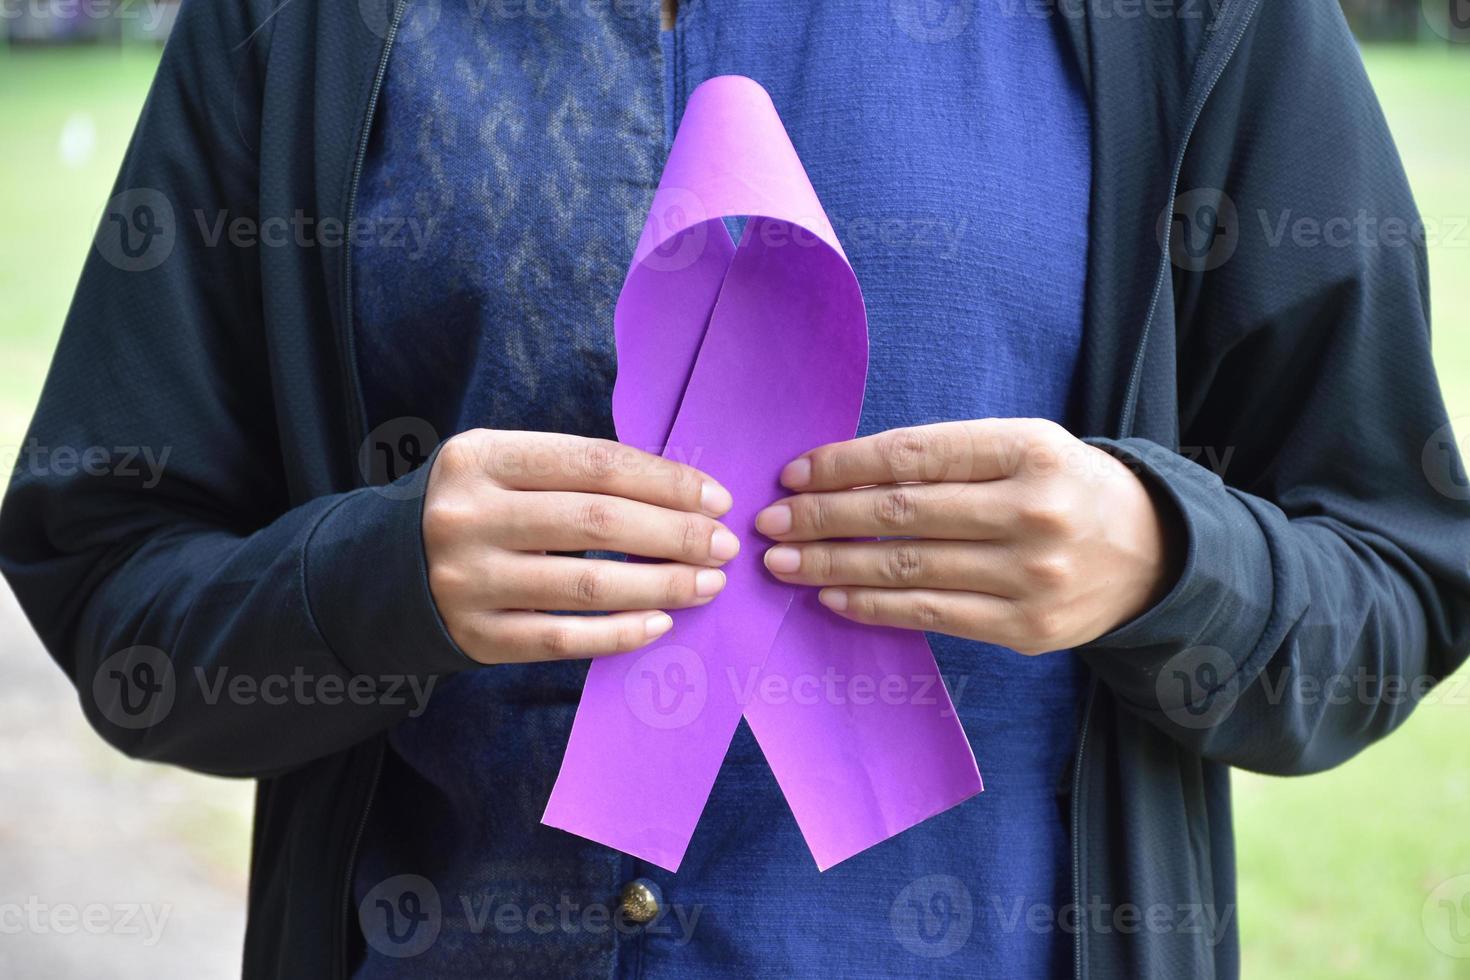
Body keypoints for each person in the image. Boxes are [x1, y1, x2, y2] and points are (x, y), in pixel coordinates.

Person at [3, 0, 1467, 977]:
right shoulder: (297, 29)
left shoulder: (1193, 25)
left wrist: (1165, 561)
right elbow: (113, 581)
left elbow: (1396, 585)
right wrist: (370, 582)